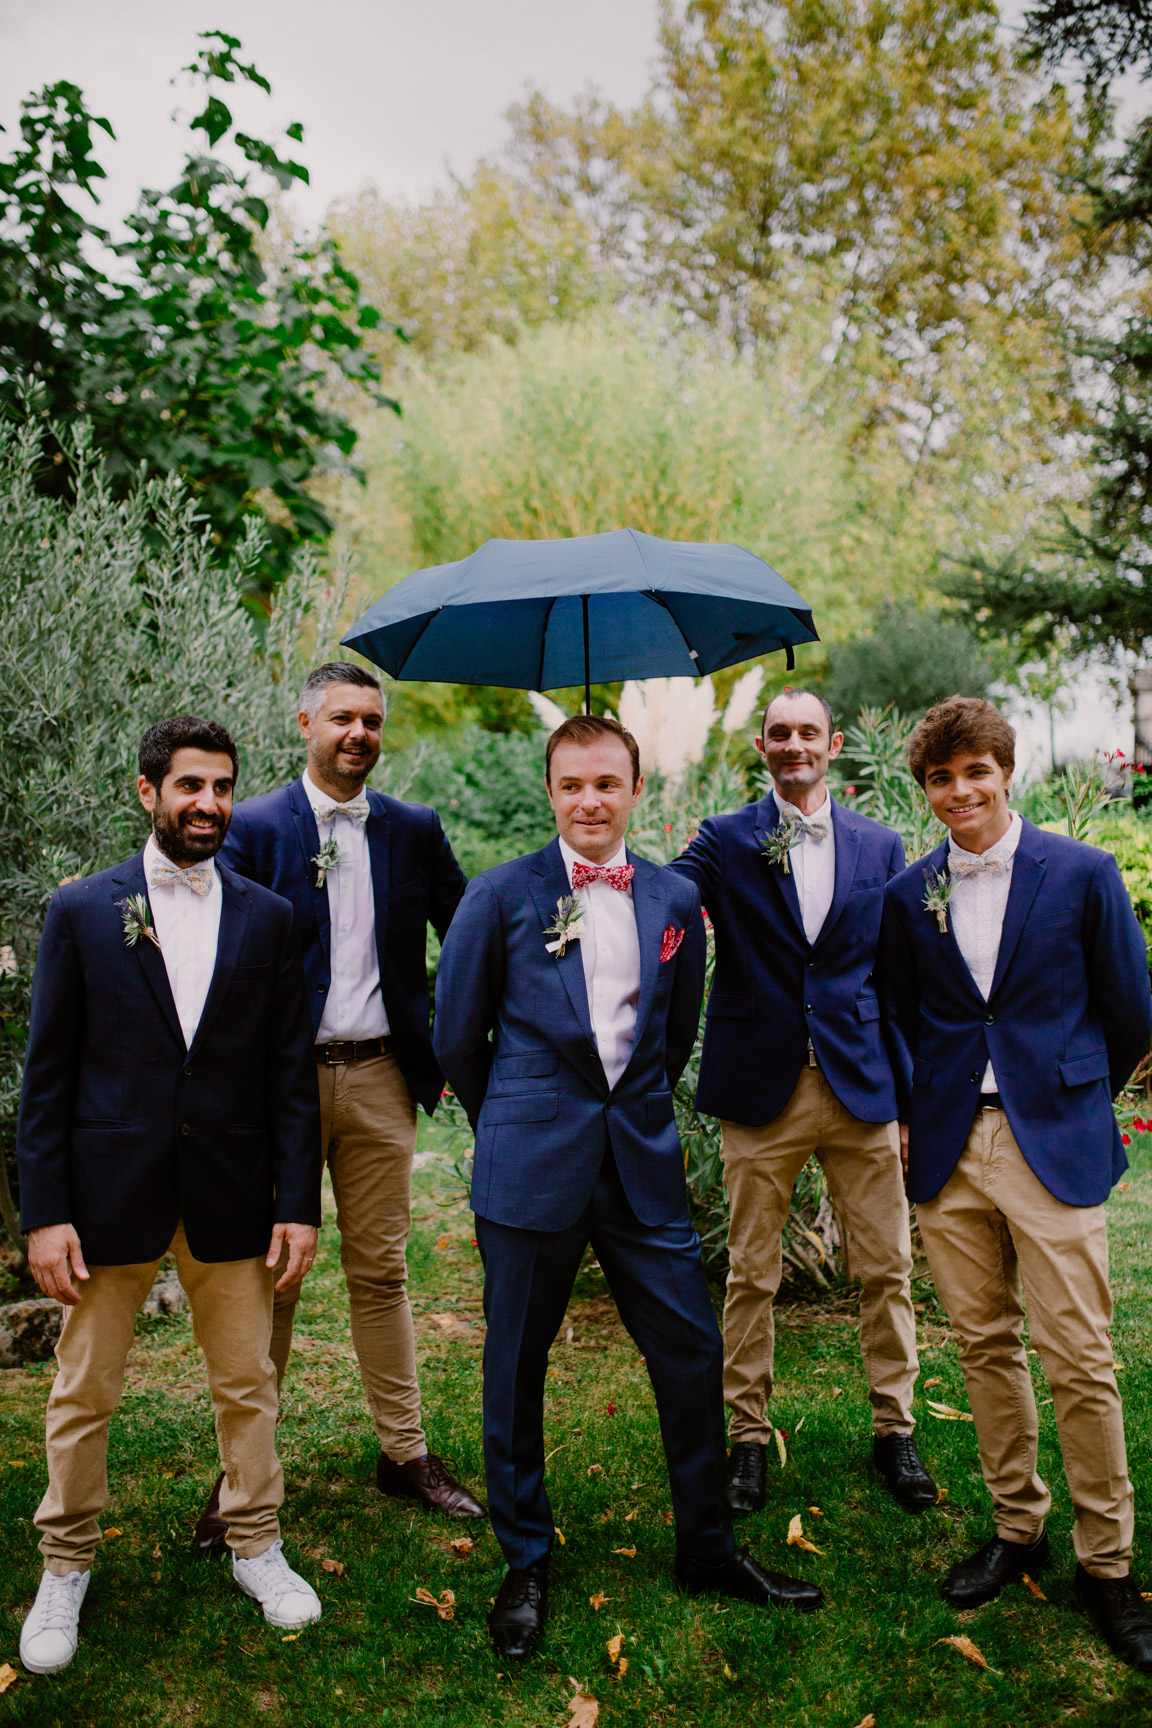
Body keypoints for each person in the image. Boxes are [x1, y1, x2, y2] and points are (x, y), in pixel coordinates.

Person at [434, 713, 823, 1660]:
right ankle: (524, 1557)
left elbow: (677, 1025)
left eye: (607, 784)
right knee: (513, 1367)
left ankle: (708, 1548)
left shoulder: (677, 901)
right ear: (551, 791)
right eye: (572, 785)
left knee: (690, 1356)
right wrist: (518, 1122)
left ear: (636, 791)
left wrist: (625, 1109)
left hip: (640, 1164)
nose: (589, 801)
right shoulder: (497, 897)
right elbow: (456, 1039)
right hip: (530, 1166)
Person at [16, 717, 324, 1676]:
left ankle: (256, 1543)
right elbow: (49, 1075)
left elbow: (288, 1075)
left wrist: (298, 1203)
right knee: (85, 1389)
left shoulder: (270, 917)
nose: (209, 805)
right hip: (110, 1193)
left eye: (223, 787)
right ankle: (64, 1565)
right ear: (147, 791)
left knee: (248, 1385)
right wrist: (45, 1210)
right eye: (190, 786)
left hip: (231, 1192)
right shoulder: (82, 911)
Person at [881, 695, 1152, 1671]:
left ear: (1005, 770)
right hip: (950, 1148)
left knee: (1078, 1357)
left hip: (1053, 1140)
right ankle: (1015, 1526)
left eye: (974, 772)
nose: (960, 792)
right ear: (929, 789)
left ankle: (1109, 1567)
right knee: (986, 1346)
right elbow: (902, 1012)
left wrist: (1073, 1096)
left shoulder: (1081, 874)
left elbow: (1130, 1008)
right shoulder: (913, 892)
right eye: (941, 779)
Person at [202, 661, 481, 1541]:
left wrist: (455, 1038)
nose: (358, 734)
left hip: (379, 1079)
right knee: (268, 1277)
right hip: (275, 1089)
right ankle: (243, 1474)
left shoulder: (413, 828)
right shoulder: (248, 829)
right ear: (305, 724)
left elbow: (467, 933)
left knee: (382, 1271)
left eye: (371, 720)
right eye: (341, 719)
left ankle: (404, 1453)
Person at [672, 688, 935, 1516]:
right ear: (762, 743)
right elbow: (668, 900)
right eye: (779, 733)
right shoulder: (723, 838)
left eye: (807, 733)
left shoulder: (881, 844)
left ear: (835, 742)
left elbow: (900, 980)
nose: (793, 745)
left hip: (861, 1088)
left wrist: (904, 1104)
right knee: (752, 1272)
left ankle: (895, 1429)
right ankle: (747, 1438)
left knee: (887, 1268)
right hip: (761, 1088)